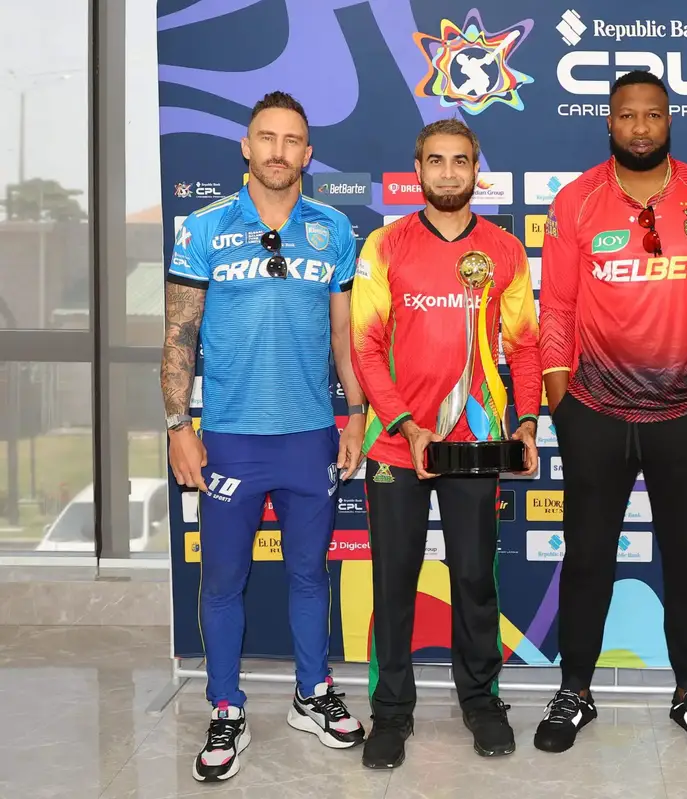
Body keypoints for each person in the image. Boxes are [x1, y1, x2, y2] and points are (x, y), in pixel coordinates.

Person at [534, 70, 687, 756]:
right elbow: (556, 311)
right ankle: (576, 688)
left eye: (652, 115)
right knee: (587, 556)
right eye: (627, 116)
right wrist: (562, 405)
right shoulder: (575, 201)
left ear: (669, 121)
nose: (640, 128)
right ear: (609, 123)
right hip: (593, 411)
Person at [162, 91, 368, 783]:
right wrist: (177, 427)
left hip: (310, 437)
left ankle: (312, 693)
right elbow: (179, 337)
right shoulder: (203, 227)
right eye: (267, 137)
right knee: (223, 582)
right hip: (230, 441)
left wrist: (359, 413)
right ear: (246, 147)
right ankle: (227, 705)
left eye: (293, 140)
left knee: (311, 575)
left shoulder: (335, 228)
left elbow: (344, 336)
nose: (280, 150)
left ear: (308, 153)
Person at [349, 119, 542, 770]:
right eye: (437, 161)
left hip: (477, 442)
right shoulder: (385, 245)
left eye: (461, 161)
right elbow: (366, 347)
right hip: (399, 447)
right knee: (394, 579)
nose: (450, 173)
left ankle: (481, 699)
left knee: (473, 578)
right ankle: (392, 711)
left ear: (476, 167)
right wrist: (407, 425)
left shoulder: (506, 250)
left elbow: (524, 344)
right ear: (417, 168)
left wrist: (527, 421)